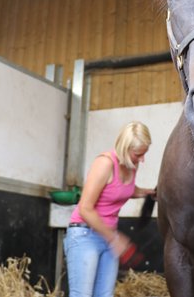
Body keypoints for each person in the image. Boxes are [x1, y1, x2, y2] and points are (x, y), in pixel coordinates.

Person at [64, 121, 155, 297]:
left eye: (144, 154)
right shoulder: (105, 163)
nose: (142, 159)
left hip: (108, 237)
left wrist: (147, 193)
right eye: (138, 154)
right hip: (85, 235)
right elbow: (85, 208)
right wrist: (114, 238)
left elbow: (123, 189)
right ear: (125, 148)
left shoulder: (131, 166)